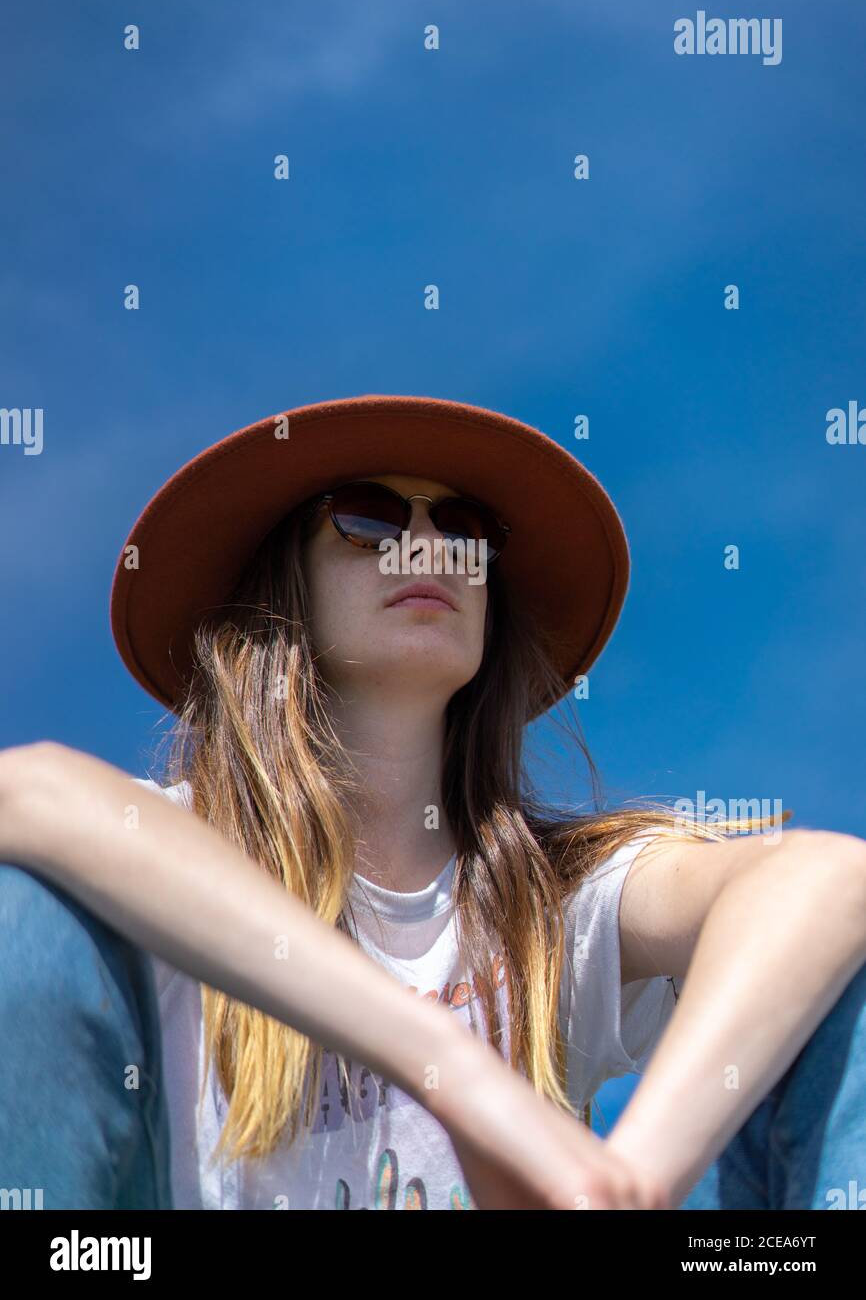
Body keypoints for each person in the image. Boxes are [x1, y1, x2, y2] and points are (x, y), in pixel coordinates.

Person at [1, 393, 864, 1212]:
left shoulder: (547, 902)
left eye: (465, 531)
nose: (428, 550)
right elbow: (26, 791)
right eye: (369, 517)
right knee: (31, 917)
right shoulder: (177, 858)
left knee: (836, 980)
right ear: (282, 588)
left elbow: (827, 877)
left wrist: (628, 1178)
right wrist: (443, 1059)